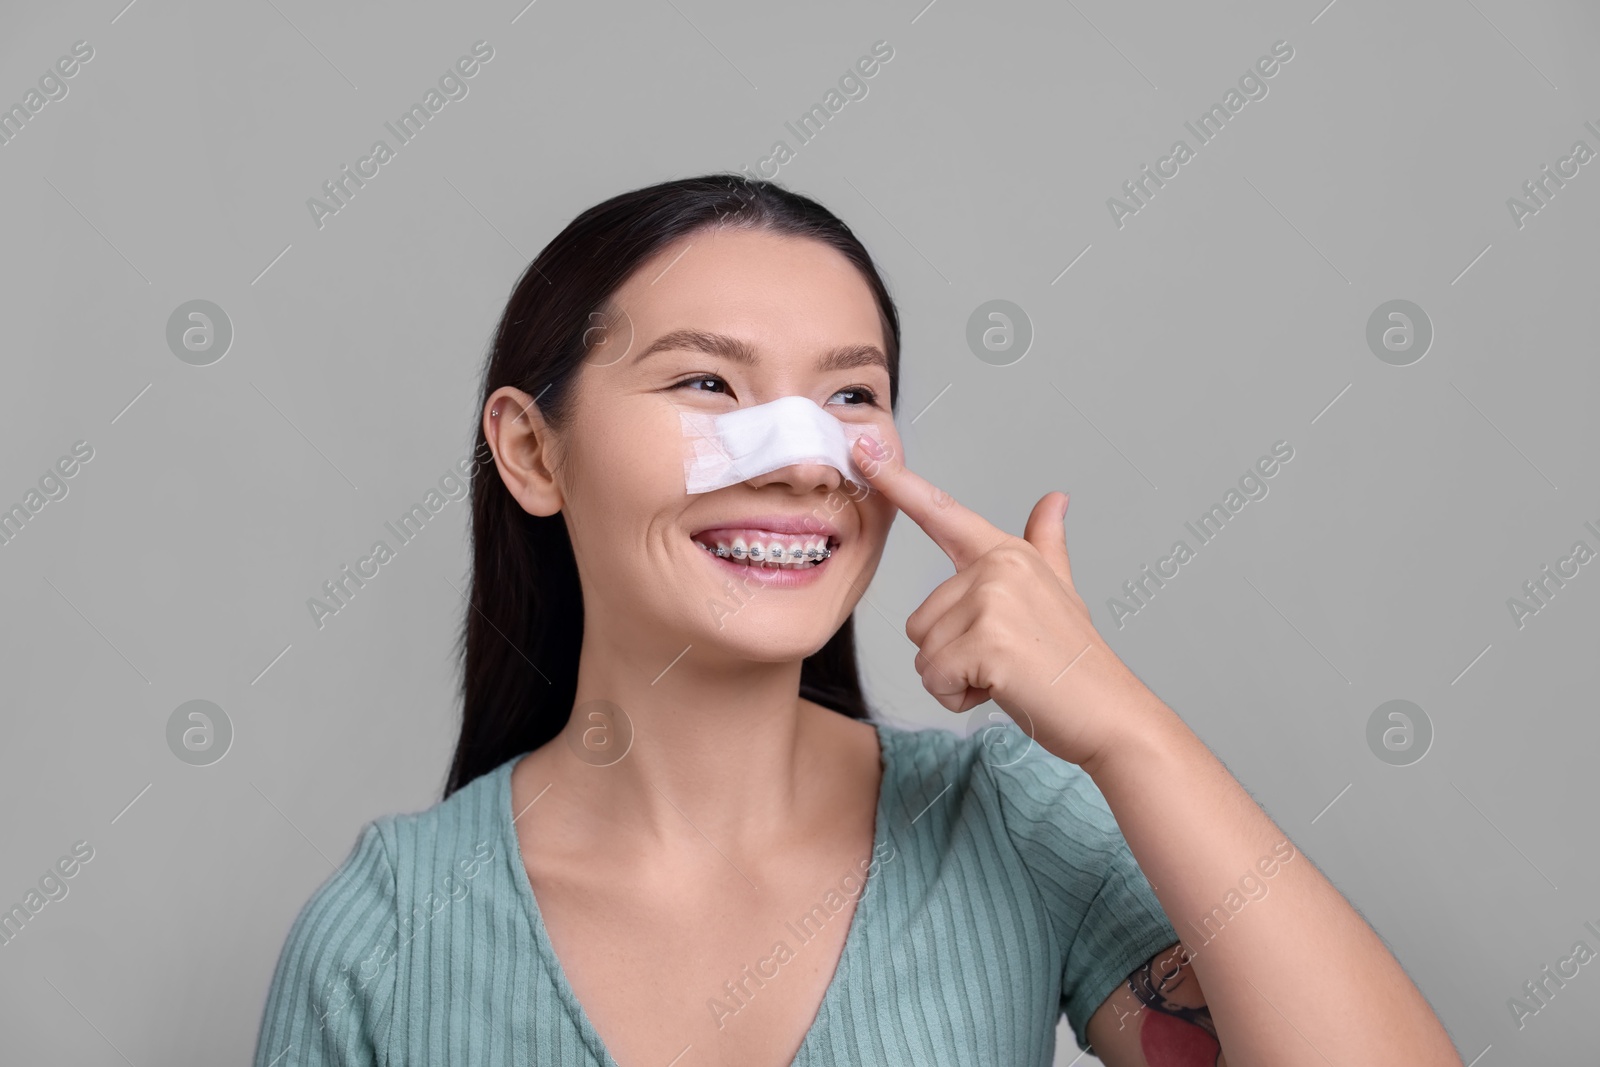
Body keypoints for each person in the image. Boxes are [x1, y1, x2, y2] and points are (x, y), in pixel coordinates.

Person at [252, 174, 1463, 1066]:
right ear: (531, 450)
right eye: (706, 381)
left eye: (850, 394)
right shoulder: (387, 940)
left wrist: (1125, 730)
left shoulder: (1006, 822)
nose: (803, 460)